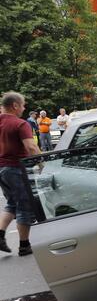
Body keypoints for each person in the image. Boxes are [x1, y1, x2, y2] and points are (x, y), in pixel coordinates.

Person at [0, 92, 41, 256]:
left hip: (1, 168)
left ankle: (0, 235)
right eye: (23, 105)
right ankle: (24, 246)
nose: (24, 109)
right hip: (16, 168)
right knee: (24, 206)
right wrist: (43, 163)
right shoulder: (19, 124)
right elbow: (31, 147)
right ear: (15, 105)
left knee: (12, 203)